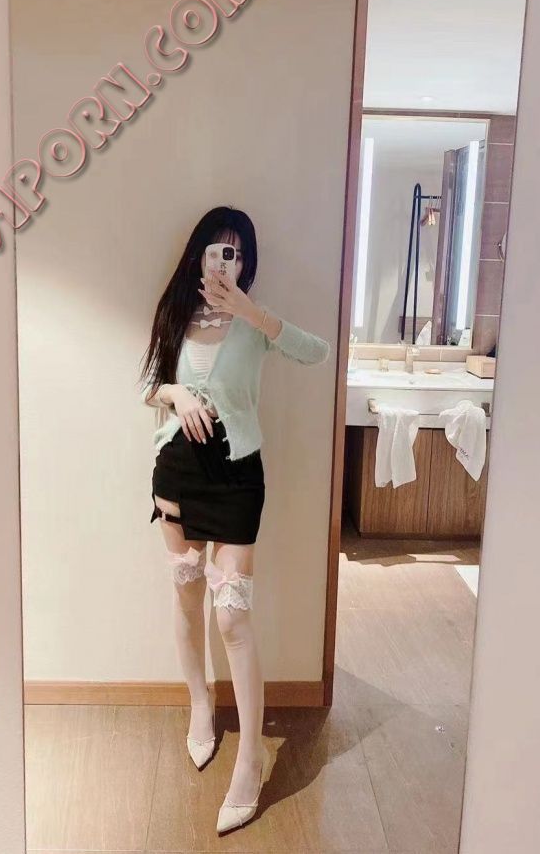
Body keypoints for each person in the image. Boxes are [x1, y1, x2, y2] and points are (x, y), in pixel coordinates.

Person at [138, 205, 330, 834]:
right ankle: (200, 703)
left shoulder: (255, 323)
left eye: (238, 253)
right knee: (186, 594)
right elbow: (149, 386)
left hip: (237, 476)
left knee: (233, 617)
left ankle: (250, 758)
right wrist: (176, 393)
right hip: (178, 473)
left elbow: (316, 352)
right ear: (199, 253)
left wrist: (252, 312)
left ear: (247, 263)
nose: (229, 261)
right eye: (220, 250)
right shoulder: (175, 313)